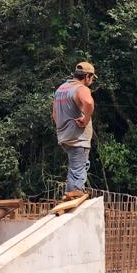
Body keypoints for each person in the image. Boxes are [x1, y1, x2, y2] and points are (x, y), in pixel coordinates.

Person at [52, 61, 96, 199]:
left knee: (76, 166)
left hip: (64, 135)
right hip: (77, 137)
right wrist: (86, 119)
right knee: (79, 167)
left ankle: (70, 192)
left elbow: (54, 113)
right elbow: (89, 103)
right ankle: (76, 192)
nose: (92, 81)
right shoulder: (81, 88)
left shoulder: (61, 89)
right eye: (92, 78)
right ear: (87, 76)